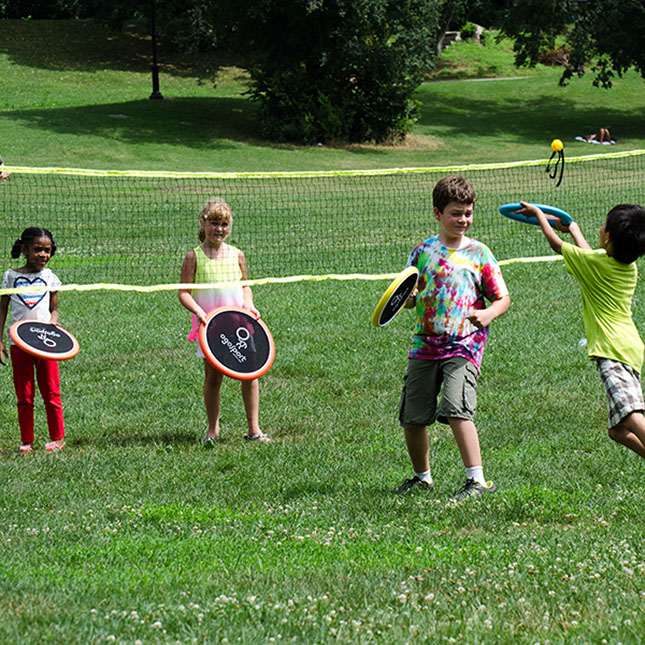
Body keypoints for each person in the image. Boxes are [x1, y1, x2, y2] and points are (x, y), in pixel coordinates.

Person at [394, 175, 510, 500]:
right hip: (424, 344)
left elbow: (502, 298)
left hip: (464, 345)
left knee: (458, 408)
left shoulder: (480, 254)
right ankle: (422, 478)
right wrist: (406, 300)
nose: (463, 220)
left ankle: (477, 481)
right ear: (437, 213)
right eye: (455, 213)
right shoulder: (422, 252)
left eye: (468, 213)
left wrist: (488, 314)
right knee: (413, 415)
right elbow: (410, 295)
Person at [517, 201, 645, 458]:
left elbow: (556, 245)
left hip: (611, 351)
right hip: (630, 349)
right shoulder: (629, 268)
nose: (599, 228)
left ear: (607, 237)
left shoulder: (597, 265)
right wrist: (573, 228)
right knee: (616, 430)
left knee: (631, 416)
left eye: (603, 225)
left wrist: (539, 215)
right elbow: (590, 255)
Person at [178, 198, 270, 444]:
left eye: (224, 224)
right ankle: (212, 430)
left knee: (250, 374)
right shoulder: (193, 257)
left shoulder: (237, 254)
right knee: (212, 377)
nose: (219, 229)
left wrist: (249, 304)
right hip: (211, 329)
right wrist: (199, 313)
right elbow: (183, 293)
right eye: (214, 223)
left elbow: (244, 285)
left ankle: (254, 430)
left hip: (239, 326)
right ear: (203, 223)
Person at [0, 227, 66, 453]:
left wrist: (53, 325)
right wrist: (0, 340)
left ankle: (57, 438)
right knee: (24, 394)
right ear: (24, 250)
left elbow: (54, 310)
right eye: (38, 249)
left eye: (47, 250)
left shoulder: (50, 278)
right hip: (18, 344)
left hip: (46, 343)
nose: (43, 255)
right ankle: (27, 441)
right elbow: (2, 311)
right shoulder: (10, 276)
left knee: (51, 391)